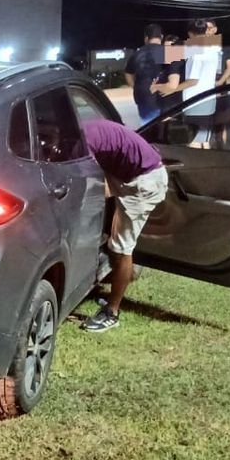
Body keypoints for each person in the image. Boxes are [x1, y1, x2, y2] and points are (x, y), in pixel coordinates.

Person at [80, 118, 169, 332]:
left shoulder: (83, 142)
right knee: (114, 241)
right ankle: (109, 290)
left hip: (144, 182)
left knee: (121, 248)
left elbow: (86, 184)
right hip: (130, 174)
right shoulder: (84, 128)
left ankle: (112, 311)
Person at [183, 19, 222, 147]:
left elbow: (193, 80)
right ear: (206, 30)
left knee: (193, 140)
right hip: (209, 99)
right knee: (205, 139)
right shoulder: (213, 49)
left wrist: (173, 88)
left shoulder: (195, 51)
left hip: (194, 101)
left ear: (190, 33)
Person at [125, 24, 166, 123]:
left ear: (146, 38)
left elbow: (128, 74)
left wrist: (136, 86)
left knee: (148, 130)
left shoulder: (136, 54)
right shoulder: (168, 52)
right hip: (165, 98)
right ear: (161, 37)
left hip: (143, 97)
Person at [151, 34, 186, 113]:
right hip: (165, 106)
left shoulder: (176, 62)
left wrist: (155, 87)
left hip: (171, 107)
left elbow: (172, 85)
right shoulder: (165, 64)